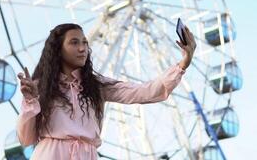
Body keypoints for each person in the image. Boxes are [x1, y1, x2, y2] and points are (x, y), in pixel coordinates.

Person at [16, 23, 196, 160]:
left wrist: (182, 65)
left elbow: (145, 92)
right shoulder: (40, 87)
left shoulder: (97, 85)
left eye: (85, 43)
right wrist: (31, 101)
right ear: (58, 50)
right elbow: (26, 138)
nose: (82, 48)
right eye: (74, 42)